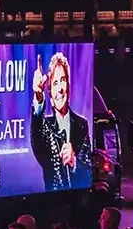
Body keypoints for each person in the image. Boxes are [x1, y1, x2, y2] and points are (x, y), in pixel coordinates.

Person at [30, 51, 92, 190]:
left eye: (63, 80)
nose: (60, 89)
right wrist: (38, 95)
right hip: (52, 200)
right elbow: (37, 135)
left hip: (78, 198)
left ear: (68, 86)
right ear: (50, 94)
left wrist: (74, 162)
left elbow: (88, 174)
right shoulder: (45, 126)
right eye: (55, 83)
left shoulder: (81, 125)